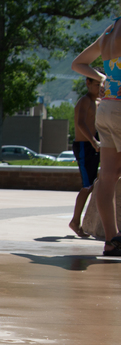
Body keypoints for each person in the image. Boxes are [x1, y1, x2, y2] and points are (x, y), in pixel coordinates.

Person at [72, 15, 121, 256]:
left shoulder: (111, 31)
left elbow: (79, 63)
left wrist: (103, 78)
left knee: (108, 176)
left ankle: (112, 240)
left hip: (108, 108)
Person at [70, 77, 103, 238]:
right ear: (88, 84)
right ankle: (75, 222)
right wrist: (94, 141)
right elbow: (81, 123)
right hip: (84, 146)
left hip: (93, 146)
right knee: (87, 186)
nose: (99, 88)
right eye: (97, 85)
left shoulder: (97, 102)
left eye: (101, 85)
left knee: (95, 185)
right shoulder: (84, 101)